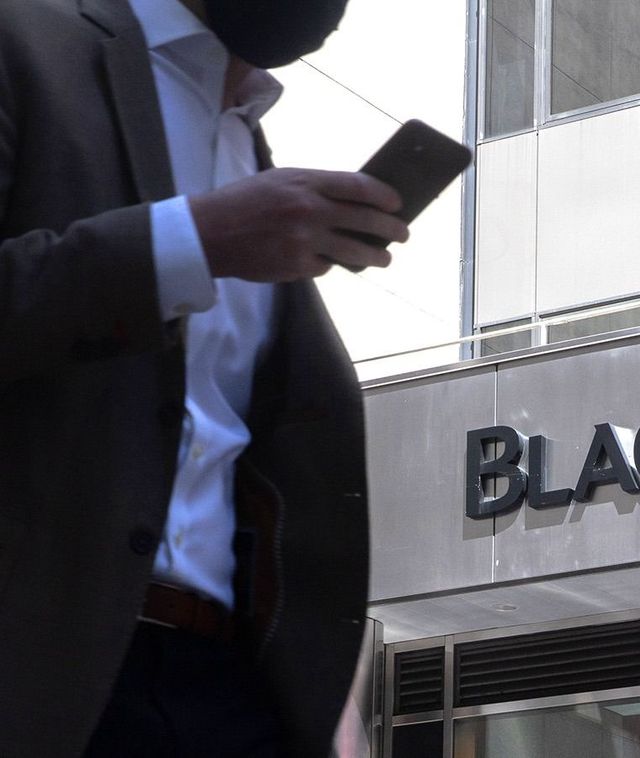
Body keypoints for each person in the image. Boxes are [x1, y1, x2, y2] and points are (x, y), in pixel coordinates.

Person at [0, 0, 408, 754]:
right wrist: (190, 243)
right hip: (44, 676)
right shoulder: (25, 41)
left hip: (226, 690)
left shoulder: (246, 137)